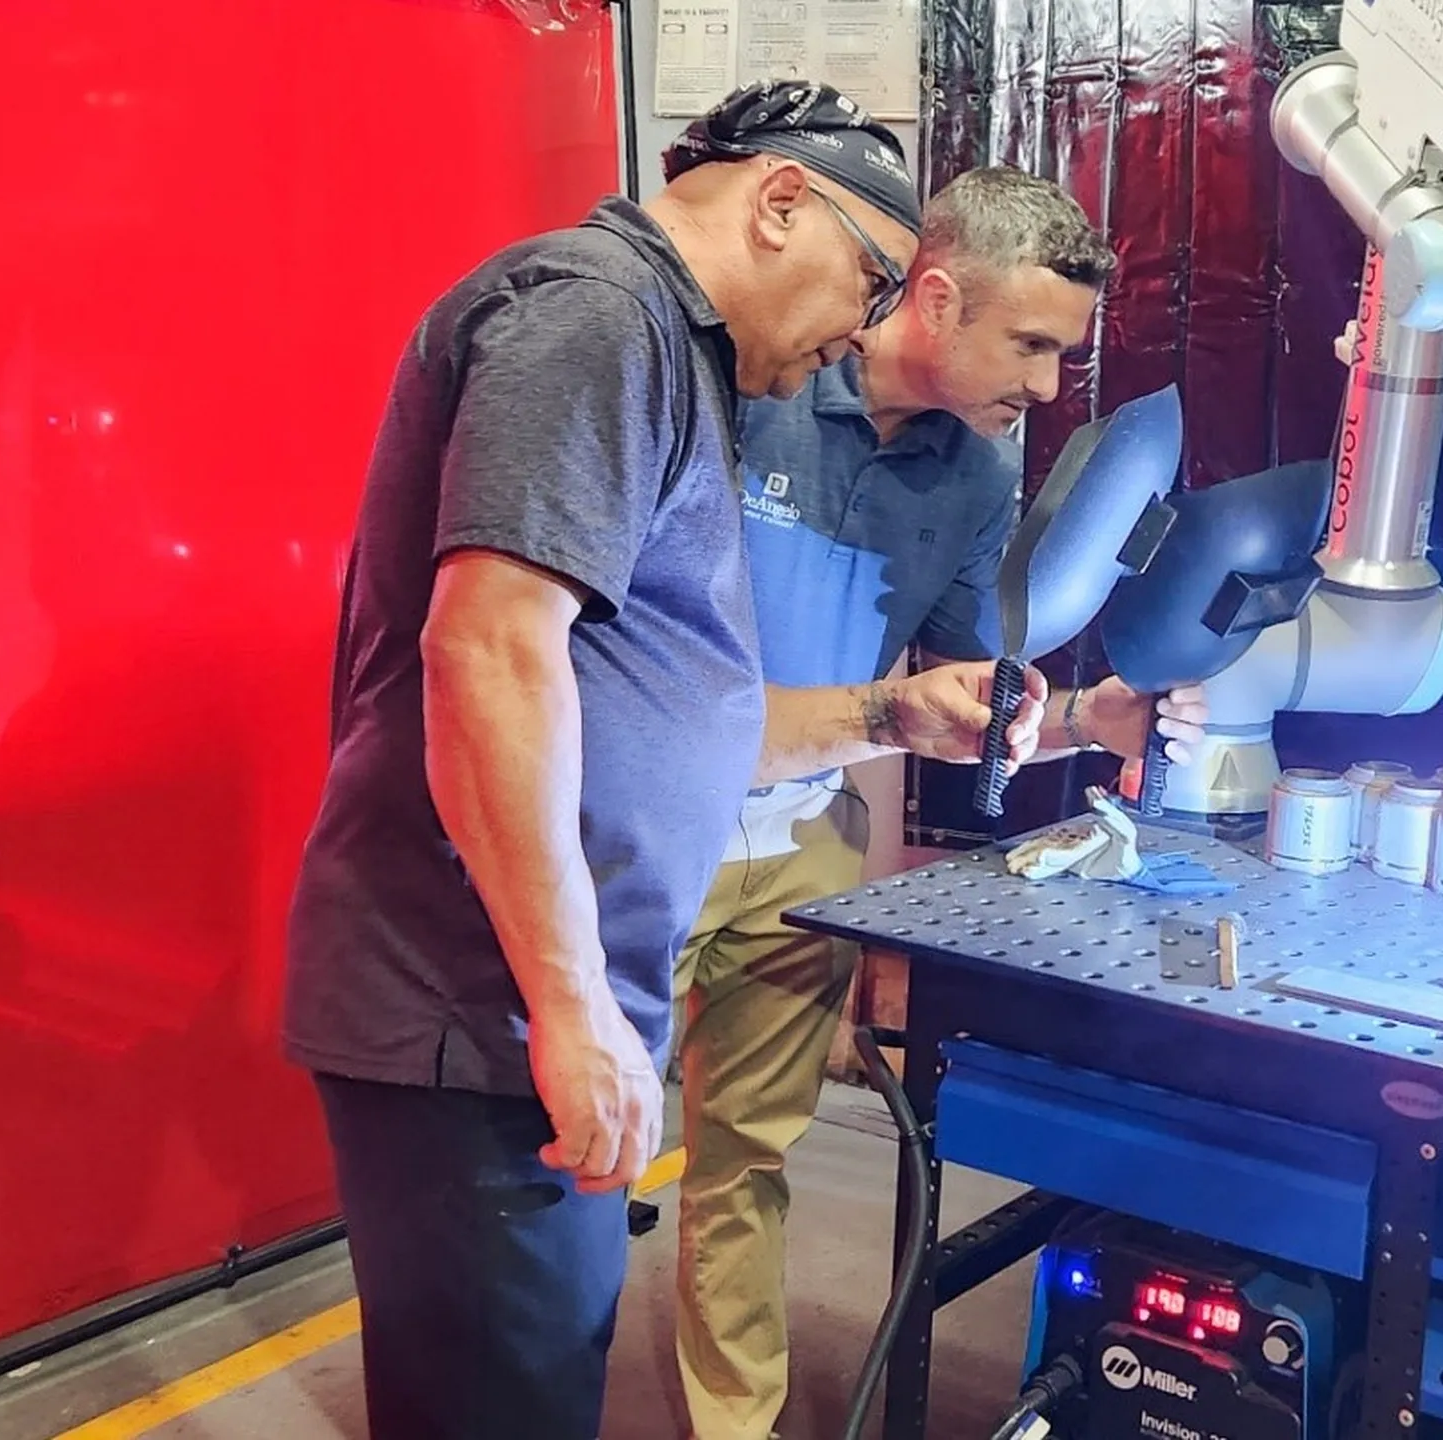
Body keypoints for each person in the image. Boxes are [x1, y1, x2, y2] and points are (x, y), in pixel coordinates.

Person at [279, 80, 1045, 1440]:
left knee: (532, 1378)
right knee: (496, 1401)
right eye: (871, 281)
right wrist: (572, 1008)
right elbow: (490, 650)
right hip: (477, 1004)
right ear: (781, 202)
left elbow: (668, 708)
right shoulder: (597, 313)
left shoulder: (672, 354)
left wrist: (889, 717)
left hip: (529, 1004)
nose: (861, 329)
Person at [672, 165, 1204, 1440]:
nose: (1046, 386)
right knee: (563, 1157)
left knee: (744, 1168)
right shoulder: (750, 382)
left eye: (1060, 353)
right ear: (936, 295)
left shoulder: (978, 470)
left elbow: (962, 690)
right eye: (1028, 344)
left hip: (804, 852)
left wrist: (1082, 719)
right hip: (642, 833)